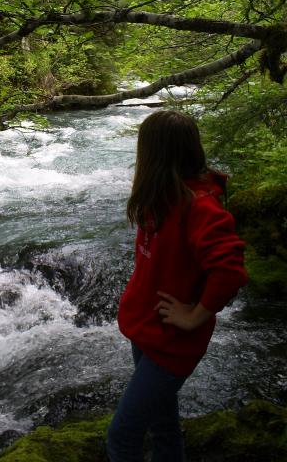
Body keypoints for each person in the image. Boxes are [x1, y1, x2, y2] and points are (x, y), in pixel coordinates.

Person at [107, 110, 248, 462]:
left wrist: (196, 315)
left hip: (172, 343)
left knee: (122, 437)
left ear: (155, 155)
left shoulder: (201, 208)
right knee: (164, 427)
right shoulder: (163, 196)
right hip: (147, 332)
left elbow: (230, 272)